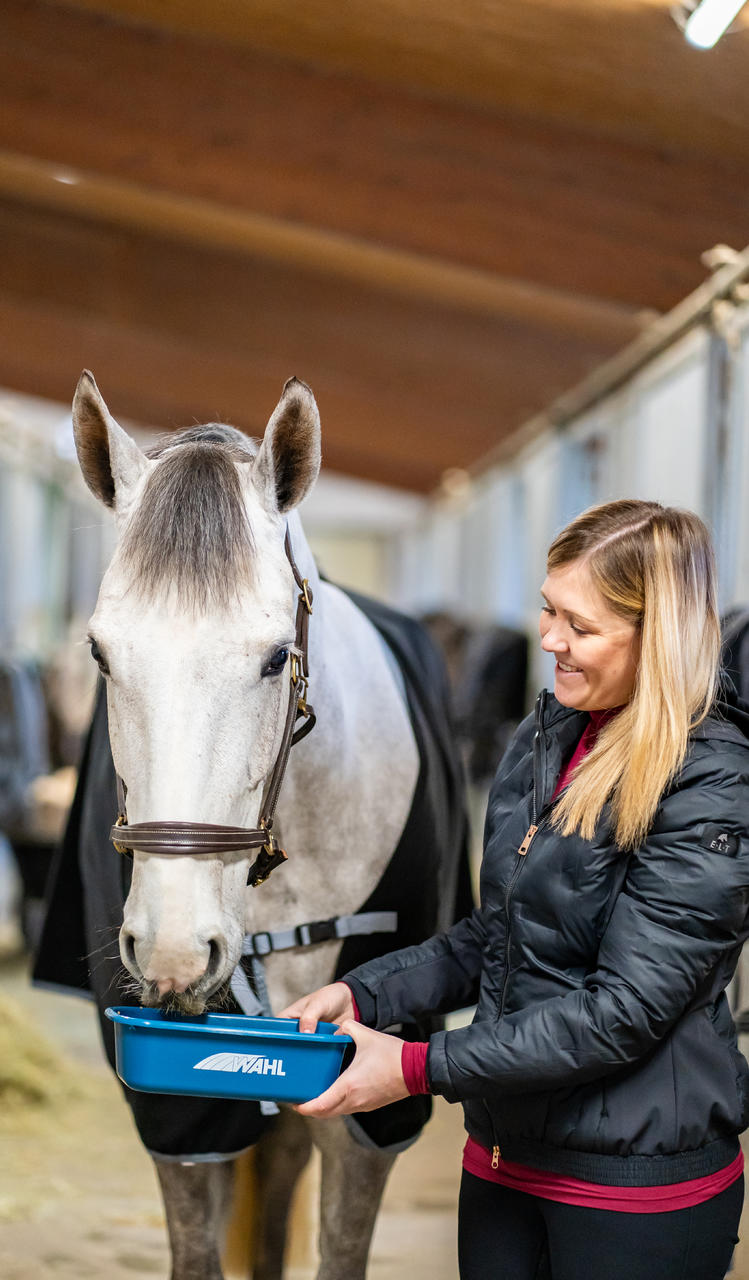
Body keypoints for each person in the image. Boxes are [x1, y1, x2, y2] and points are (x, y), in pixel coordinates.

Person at [281, 500, 749, 1280]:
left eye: (579, 625)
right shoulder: (550, 736)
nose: (547, 638)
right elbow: (492, 935)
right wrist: (363, 996)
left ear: (656, 635)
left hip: (630, 1189)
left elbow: (621, 1012)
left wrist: (412, 1067)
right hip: (503, 1160)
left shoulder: (709, 781)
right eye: (545, 607)